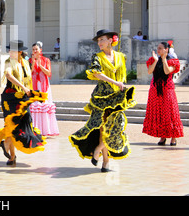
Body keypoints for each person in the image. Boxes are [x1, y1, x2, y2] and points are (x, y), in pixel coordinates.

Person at [69, 29, 136, 173]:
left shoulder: (120, 56)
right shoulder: (97, 57)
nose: (99, 43)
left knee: (116, 125)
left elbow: (122, 75)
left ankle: (98, 149)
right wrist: (114, 82)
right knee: (102, 127)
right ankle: (105, 161)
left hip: (116, 97)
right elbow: (96, 73)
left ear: (111, 40)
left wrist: (121, 85)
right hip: (102, 97)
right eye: (98, 40)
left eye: (102, 39)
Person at [0, 40, 47, 166]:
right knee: (11, 125)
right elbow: (9, 75)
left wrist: (29, 91)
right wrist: (24, 88)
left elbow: (29, 78)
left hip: (22, 97)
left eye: (13, 50)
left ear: (20, 52)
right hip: (11, 97)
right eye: (9, 50)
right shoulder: (9, 62)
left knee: (23, 123)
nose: (10, 52)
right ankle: (12, 157)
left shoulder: (25, 63)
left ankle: (6, 145)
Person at [142, 42, 184, 146]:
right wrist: (156, 61)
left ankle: (173, 137)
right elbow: (149, 71)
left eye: (160, 48)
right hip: (155, 90)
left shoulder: (173, 61)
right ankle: (163, 136)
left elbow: (167, 71)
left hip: (167, 90)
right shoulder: (153, 59)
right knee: (160, 113)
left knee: (170, 113)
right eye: (158, 48)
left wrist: (164, 59)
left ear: (166, 49)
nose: (158, 50)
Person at [28, 41, 59, 136]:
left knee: (44, 104)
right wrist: (33, 63)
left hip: (43, 85)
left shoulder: (46, 60)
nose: (34, 51)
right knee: (35, 104)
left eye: (36, 49)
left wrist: (40, 65)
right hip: (34, 84)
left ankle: (46, 129)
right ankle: (35, 128)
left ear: (40, 50)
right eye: (33, 49)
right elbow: (29, 73)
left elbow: (48, 73)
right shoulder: (29, 60)